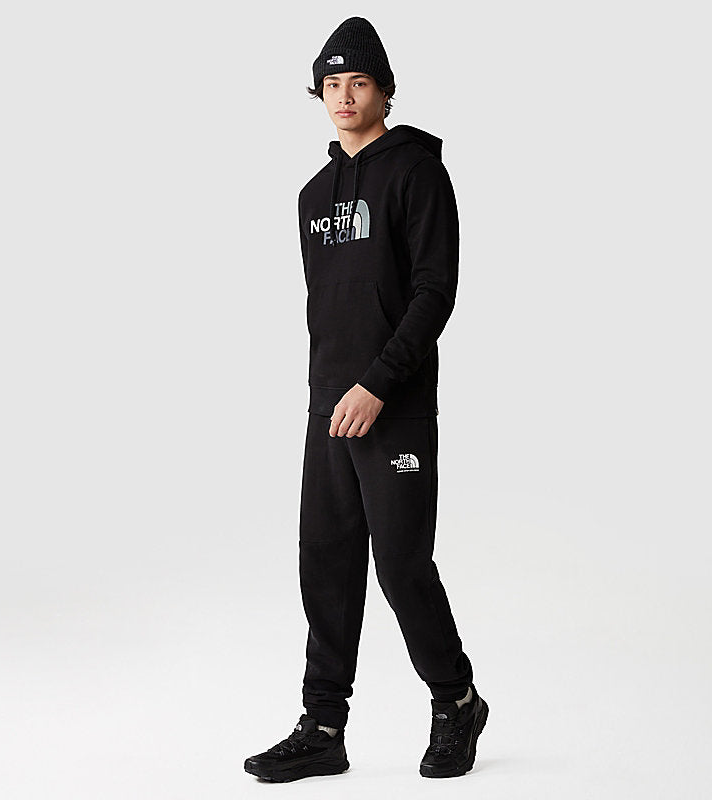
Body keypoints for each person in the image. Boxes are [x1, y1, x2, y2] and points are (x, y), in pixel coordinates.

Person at [243, 16, 488, 782]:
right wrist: (330, 395)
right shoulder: (313, 197)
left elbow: (433, 292)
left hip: (394, 405)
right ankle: (323, 726)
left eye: (358, 83)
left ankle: (456, 702)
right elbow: (332, 308)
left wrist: (379, 384)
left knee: (402, 566)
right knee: (326, 563)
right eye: (331, 84)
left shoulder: (417, 174)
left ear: (384, 90)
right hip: (328, 410)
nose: (344, 96)